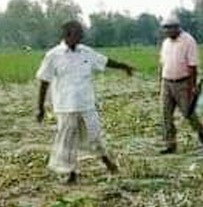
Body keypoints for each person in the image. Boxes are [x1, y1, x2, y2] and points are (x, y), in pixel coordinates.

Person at [35, 20, 135, 184]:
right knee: (68, 140)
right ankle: (71, 173)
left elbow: (105, 61)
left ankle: (108, 163)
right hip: (65, 106)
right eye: (78, 34)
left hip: (86, 103)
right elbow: (44, 81)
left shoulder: (86, 52)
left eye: (81, 34)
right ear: (67, 35)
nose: (81, 37)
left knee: (94, 136)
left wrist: (124, 66)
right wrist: (40, 108)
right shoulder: (53, 55)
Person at [158, 14, 203, 154]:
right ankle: (170, 144)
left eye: (169, 28)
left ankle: (201, 132)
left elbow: (192, 66)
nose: (167, 31)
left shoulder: (188, 41)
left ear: (177, 27)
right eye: (165, 28)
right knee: (165, 114)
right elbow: (162, 64)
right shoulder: (166, 43)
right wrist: (160, 82)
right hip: (167, 82)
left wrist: (192, 87)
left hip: (183, 82)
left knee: (188, 112)